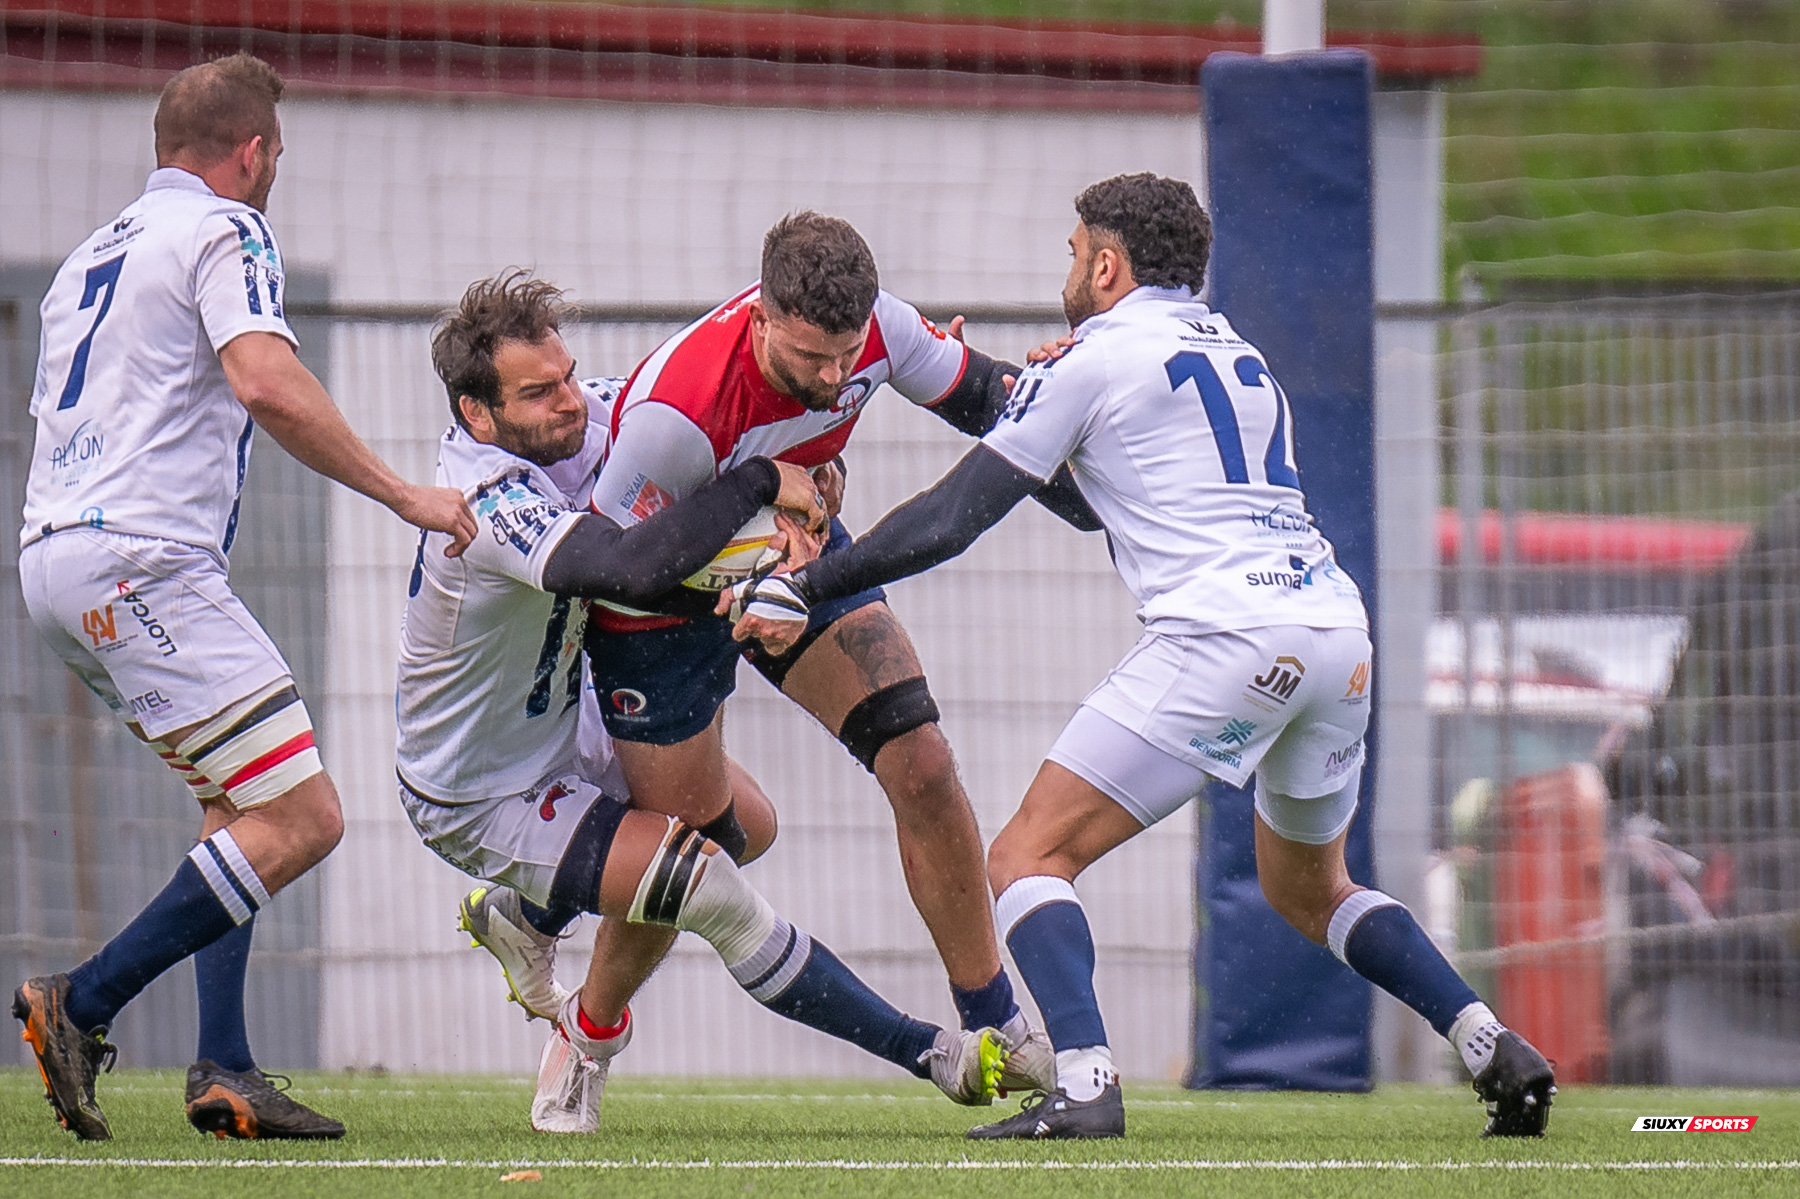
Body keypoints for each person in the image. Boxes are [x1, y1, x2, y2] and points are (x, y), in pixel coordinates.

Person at [763, 173, 1559, 1140]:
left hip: (1225, 638)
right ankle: (1490, 1046)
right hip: (1335, 636)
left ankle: (1088, 1083)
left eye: (1072, 252)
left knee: (1025, 856)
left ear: (1108, 263)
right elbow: (1125, 487)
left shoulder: (1091, 361)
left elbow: (952, 517)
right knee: (1312, 886)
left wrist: (802, 586)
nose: (1066, 268)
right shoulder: (1239, 353)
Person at [402, 272, 1005, 1132]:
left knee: (739, 826)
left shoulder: (594, 415)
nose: (571, 402)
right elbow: (629, 569)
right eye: (539, 393)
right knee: (707, 882)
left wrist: (814, 478)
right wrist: (764, 480)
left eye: (568, 375)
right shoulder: (483, 500)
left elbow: (713, 452)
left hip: (568, 729)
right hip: (480, 789)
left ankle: (535, 923)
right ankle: (931, 1053)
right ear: (476, 414)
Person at [11, 52, 477, 1142]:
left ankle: (223, 1064)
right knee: (305, 816)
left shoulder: (91, 252)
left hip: (54, 556)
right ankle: (81, 1001)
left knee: (237, 803)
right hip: (142, 557)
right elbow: (264, 378)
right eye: (277, 158)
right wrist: (406, 491)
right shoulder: (227, 229)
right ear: (252, 151)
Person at [580, 213, 1101, 1095]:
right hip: (654, 608)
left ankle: (997, 1026)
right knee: (692, 850)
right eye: (809, 358)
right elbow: (613, 570)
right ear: (760, 319)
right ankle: (587, 1035)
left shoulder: (880, 331)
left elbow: (999, 415)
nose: (833, 377)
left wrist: (1100, 479)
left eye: (845, 355)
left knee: (923, 761)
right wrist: (738, 589)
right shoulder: (676, 413)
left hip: (795, 562)